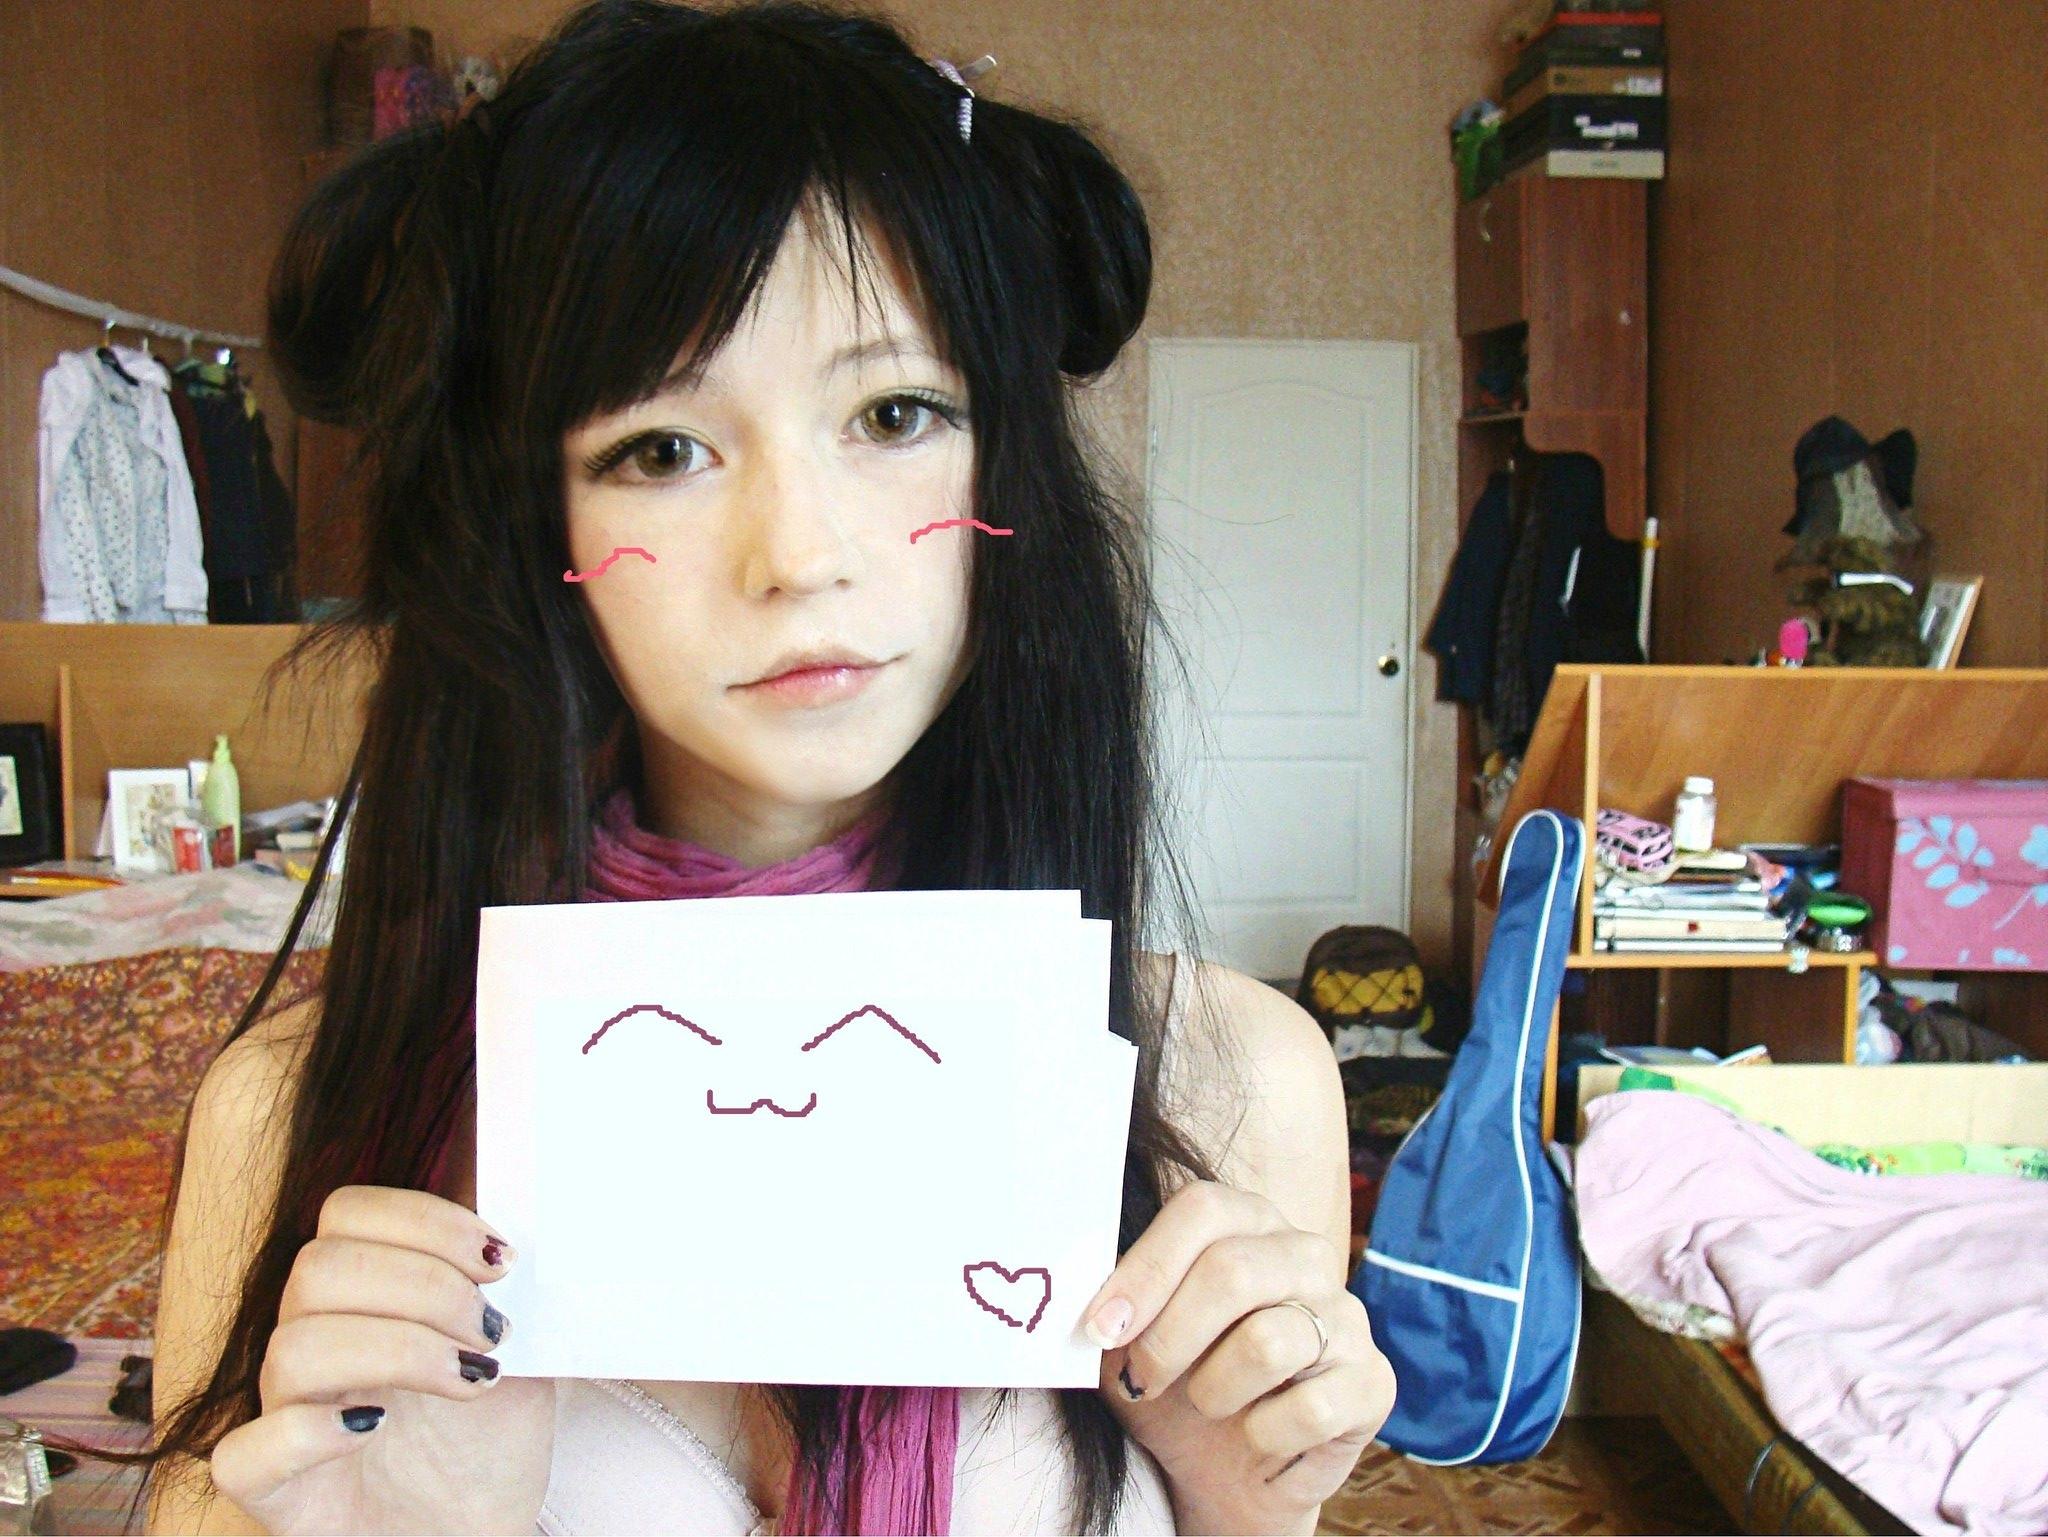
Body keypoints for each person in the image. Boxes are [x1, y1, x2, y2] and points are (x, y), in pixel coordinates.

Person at [137, 2, 1394, 1532]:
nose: (800, 552)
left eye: (896, 412)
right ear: (538, 528)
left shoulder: (1234, 1084)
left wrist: (1246, 1504)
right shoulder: (290, 1122)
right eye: (661, 447)